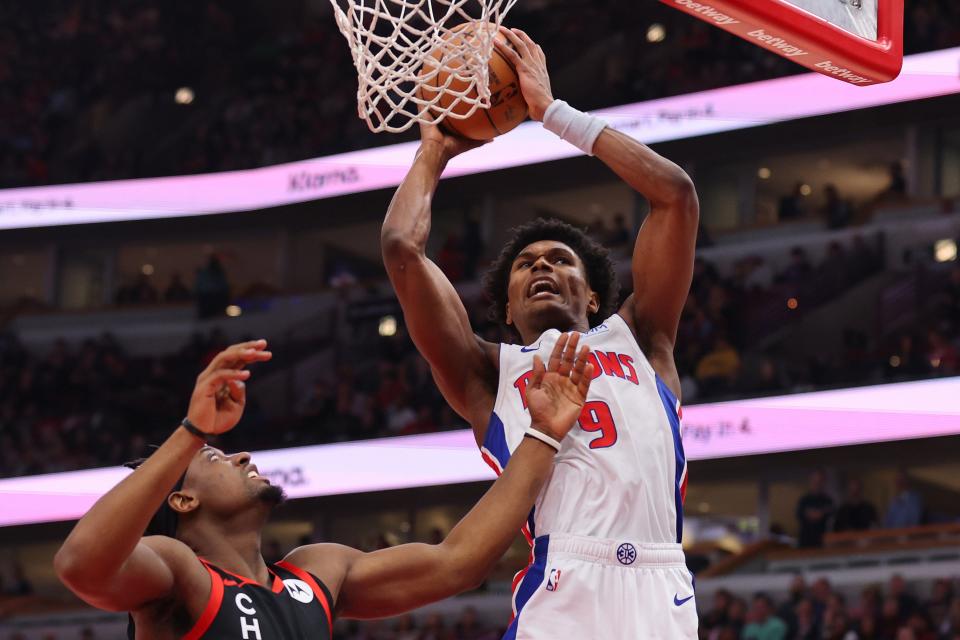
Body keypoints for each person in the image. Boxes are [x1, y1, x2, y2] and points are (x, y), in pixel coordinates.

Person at [381, 26, 699, 638]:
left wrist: (553, 114)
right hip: (565, 582)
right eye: (526, 265)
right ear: (505, 308)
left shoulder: (643, 336)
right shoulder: (486, 373)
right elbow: (401, 248)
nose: (542, 266)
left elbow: (675, 197)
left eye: (559, 259)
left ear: (597, 294)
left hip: (663, 583)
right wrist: (433, 153)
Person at [54, 336, 596, 638]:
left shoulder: (317, 570)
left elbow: (457, 562)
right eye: (215, 459)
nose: (242, 453)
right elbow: (80, 565)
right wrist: (193, 433)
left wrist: (543, 435)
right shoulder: (176, 570)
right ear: (182, 499)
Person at [795, 469, 834, 548]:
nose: (817, 483)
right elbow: (799, 515)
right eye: (815, 480)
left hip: (823, 543)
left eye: (820, 481)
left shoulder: (827, 501)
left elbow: (831, 516)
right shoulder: (804, 500)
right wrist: (814, 514)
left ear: (824, 482)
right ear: (811, 480)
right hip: (805, 543)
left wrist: (819, 514)